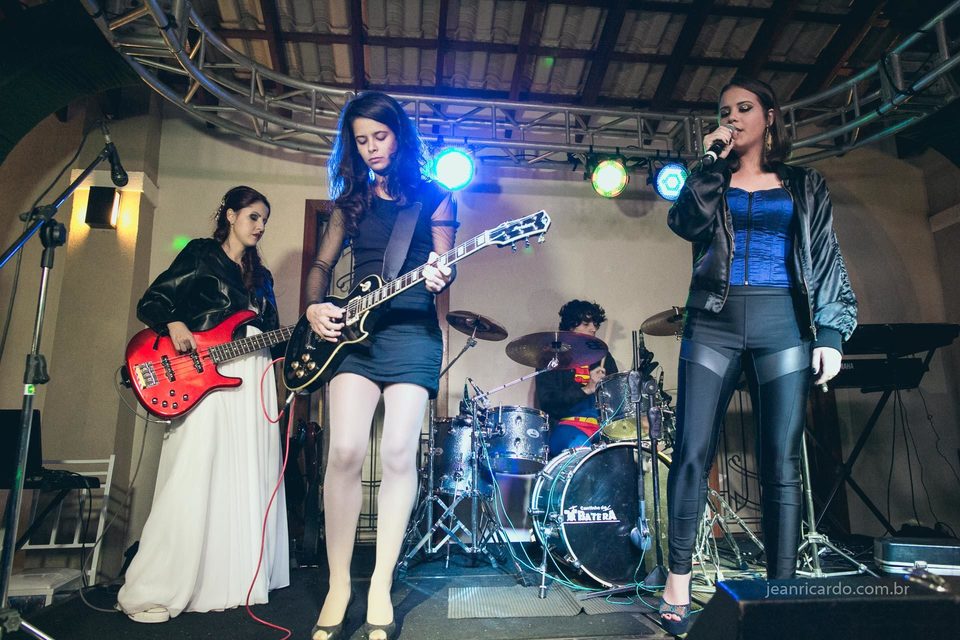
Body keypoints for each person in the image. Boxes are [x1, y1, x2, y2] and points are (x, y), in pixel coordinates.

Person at [659, 76, 857, 634]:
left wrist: (831, 333)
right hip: (713, 322)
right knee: (691, 451)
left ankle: (780, 592)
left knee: (781, 461)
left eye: (744, 108)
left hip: (783, 324)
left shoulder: (804, 183)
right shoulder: (711, 178)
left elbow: (826, 257)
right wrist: (708, 165)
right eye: (724, 111)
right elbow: (685, 224)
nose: (733, 118)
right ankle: (677, 583)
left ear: (770, 116)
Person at [305, 91, 457, 640]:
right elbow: (321, 266)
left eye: (380, 136)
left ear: (399, 136)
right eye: (361, 140)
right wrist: (313, 306)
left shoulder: (435, 196)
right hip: (356, 338)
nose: (371, 148)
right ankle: (338, 584)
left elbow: (445, 263)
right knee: (345, 452)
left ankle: (380, 583)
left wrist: (441, 274)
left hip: (413, 333)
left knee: (396, 454)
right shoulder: (351, 202)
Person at [117, 186, 289, 622]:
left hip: (253, 376)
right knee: (193, 471)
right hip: (203, 375)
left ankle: (233, 579)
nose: (260, 226)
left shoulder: (262, 277)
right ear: (230, 215)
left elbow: (272, 332)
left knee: (247, 472)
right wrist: (174, 322)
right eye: (253, 216)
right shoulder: (200, 254)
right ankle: (159, 584)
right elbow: (152, 301)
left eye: (264, 220)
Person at [535, 299, 618, 457]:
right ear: (570, 327)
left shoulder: (604, 357)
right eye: (586, 324)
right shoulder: (552, 358)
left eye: (595, 324)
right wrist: (586, 389)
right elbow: (548, 403)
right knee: (581, 449)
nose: (593, 329)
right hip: (567, 426)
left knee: (623, 453)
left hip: (602, 428)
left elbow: (617, 399)